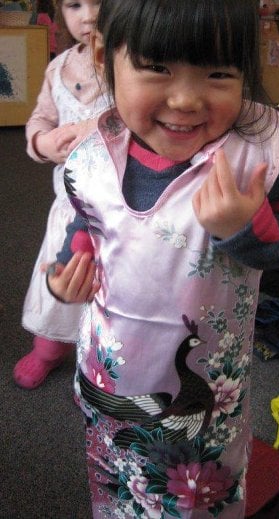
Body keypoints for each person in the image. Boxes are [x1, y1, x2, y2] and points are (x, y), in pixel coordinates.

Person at [46, 0, 279, 517]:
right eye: (156, 67)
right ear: (106, 56)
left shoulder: (255, 155)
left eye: (218, 73)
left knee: (194, 495)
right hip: (112, 372)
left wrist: (245, 225)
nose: (186, 99)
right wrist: (68, 270)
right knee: (116, 482)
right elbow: (88, 220)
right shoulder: (91, 153)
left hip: (204, 400)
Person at [13, 0, 109, 390]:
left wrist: (98, 125)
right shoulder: (59, 66)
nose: (88, 16)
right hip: (70, 202)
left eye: (100, 3)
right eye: (74, 4)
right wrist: (42, 141)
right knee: (60, 279)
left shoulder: (135, 62)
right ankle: (49, 349)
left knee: (107, 296)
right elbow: (40, 116)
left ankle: (96, 370)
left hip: (121, 209)